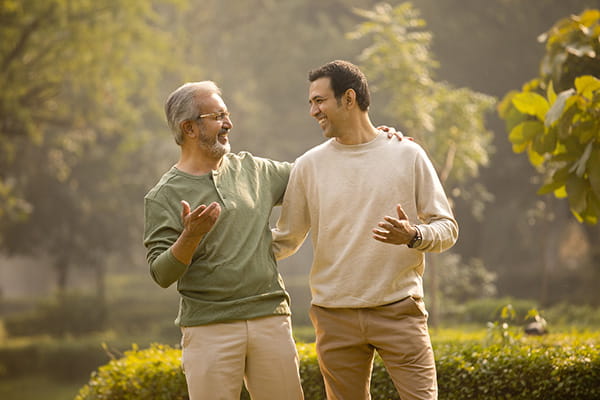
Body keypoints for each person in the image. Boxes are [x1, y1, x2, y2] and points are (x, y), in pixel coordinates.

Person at [272, 60, 459, 400]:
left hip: (399, 310)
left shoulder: (407, 154)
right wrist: (222, 247)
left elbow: (447, 228)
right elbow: (284, 240)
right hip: (334, 316)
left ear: (348, 98)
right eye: (310, 103)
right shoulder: (308, 166)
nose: (313, 111)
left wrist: (414, 235)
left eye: (319, 101)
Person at [143, 81, 304, 400]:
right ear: (189, 127)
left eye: (227, 114)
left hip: (269, 317)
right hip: (208, 328)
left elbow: (316, 175)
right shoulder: (163, 196)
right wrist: (190, 236)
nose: (228, 123)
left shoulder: (255, 170)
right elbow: (161, 274)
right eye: (218, 116)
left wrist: (371, 140)